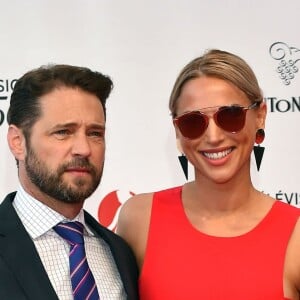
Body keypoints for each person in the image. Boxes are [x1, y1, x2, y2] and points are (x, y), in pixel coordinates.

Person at [117, 49, 300, 299]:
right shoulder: (139, 218)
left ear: (260, 116)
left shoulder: (296, 234)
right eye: (193, 122)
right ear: (178, 131)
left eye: (230, 116)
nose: (213, 137)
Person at [0, 64, 139, 300]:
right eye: (63, 132)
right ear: (17, 142)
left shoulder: (120, 253)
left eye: (95, 133)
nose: (84, 149)